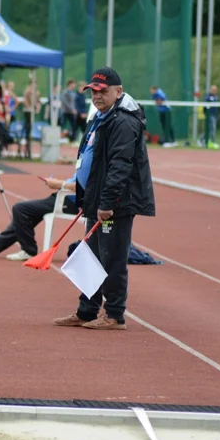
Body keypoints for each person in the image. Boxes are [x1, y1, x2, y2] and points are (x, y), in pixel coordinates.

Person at [54, 67, 155, 331]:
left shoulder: (123, 121)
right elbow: (92, 161)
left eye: (103, 91)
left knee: (112, 258)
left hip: (115, 205)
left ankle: (114, 315)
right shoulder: (100, 117)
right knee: (90, 256)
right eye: (94, 91)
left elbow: (120, 165)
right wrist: (87, 198)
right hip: (97, 199)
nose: (97, 96)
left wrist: (107, 203)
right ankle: (87, 310)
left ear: (118, 92)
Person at [0, 174, 77, 261]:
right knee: (27, 212)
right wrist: (60, 183)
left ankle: (29, 250)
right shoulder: (87, 155)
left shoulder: (90, 157)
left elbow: (79, 187)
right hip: (65, 197)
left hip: (70, 200)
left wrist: (59, 184)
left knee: (21, 209)